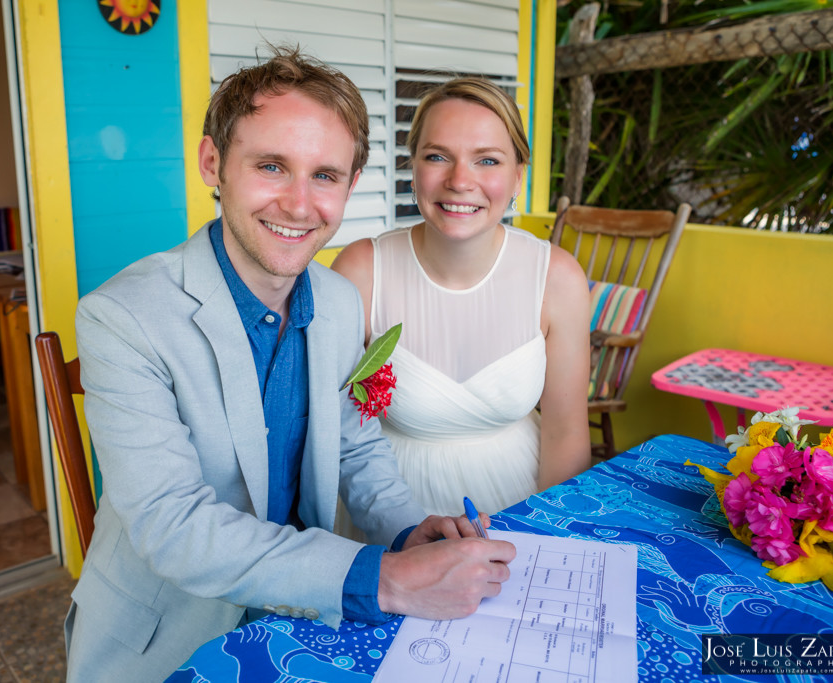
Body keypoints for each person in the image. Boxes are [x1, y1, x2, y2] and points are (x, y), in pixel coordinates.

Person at [64, 47, 516, 683]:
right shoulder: (121, 317)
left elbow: (356, 450)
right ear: (212, 164)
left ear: (350, 185)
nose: (300, 205)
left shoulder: (335, 300)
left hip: (305, 612)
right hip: (169, 638)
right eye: (273, 166)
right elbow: (172, 526)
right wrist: (383, 577)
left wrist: (407, 533)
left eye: (325, 175)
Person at [331, 77, 592, 523]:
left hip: (518, 504)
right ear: (412, 167)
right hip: (387, 508)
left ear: (517, 177)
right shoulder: (361, 272)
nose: (459, 181)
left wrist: (549, 532)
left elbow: (566, 432)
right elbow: (333, 424)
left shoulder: (557, 278)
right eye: (437, 157)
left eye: (487, 160)